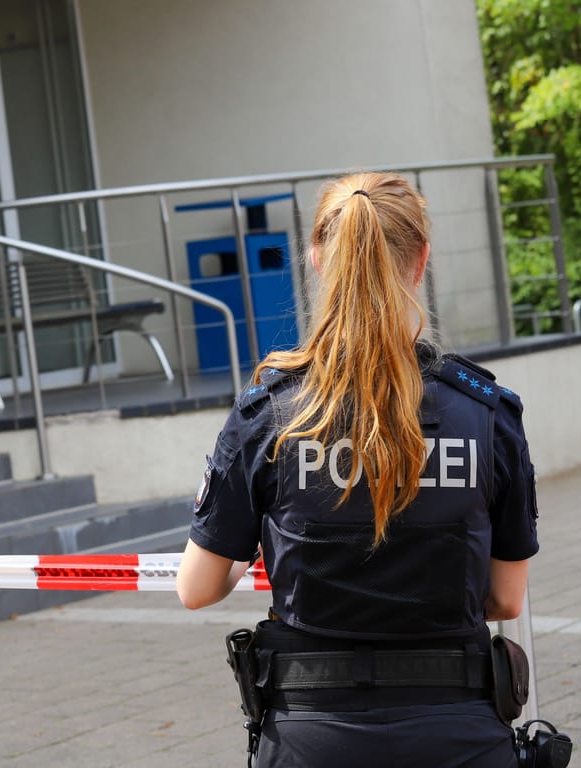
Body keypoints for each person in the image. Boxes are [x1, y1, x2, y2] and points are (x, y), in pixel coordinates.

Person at [176, 172, 538, 767]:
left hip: (312, 739)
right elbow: (504, 599)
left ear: (318, 260)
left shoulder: (271, 416)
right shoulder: (486, 413)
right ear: (420, 260)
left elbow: (196, 589)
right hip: (460, 737)